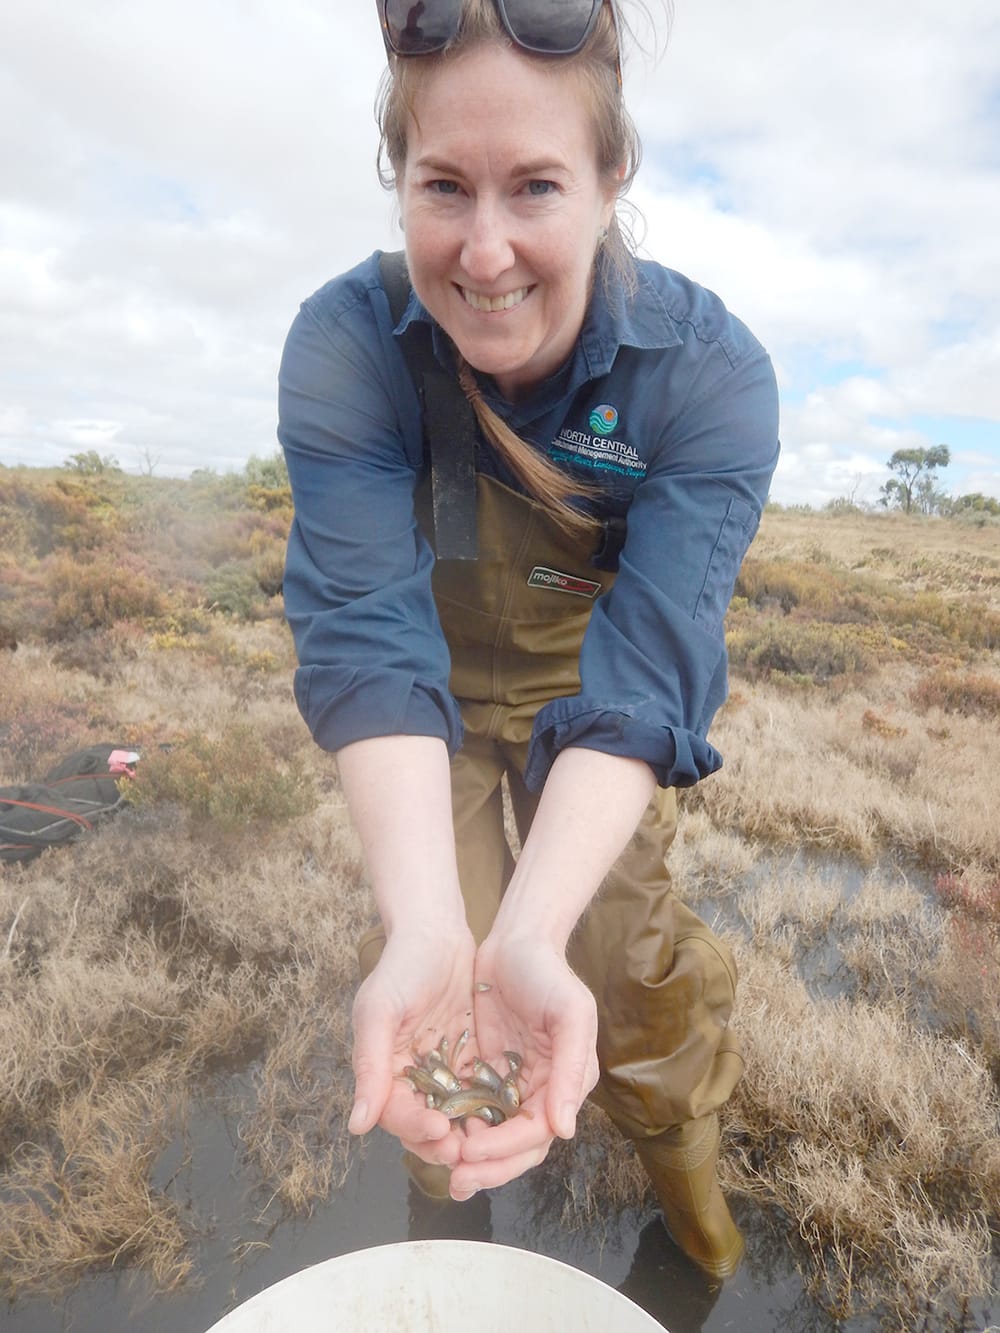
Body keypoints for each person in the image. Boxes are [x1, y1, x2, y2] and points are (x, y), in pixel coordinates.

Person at [278, 0, 779, 1282]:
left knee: (624, 969)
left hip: (586, 708)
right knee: (435, 980)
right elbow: (368, 638)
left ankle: (692, 1224)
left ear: (612, 179)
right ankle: (448, 1228)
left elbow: (649, 669)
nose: (485, 251)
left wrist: (535, 929)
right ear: (400, 180)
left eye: (536, 186)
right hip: (423, 709)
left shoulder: (706, 375)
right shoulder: (346, 344)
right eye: (444, 185)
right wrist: (431, 928)